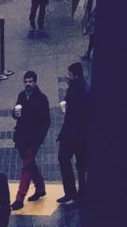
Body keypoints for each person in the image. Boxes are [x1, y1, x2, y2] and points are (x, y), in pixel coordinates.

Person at [10, 70, 50, 211]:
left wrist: (39, 138)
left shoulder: (42, 99)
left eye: (31, 81)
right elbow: (16, 113)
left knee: (26, 166)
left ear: (35, 82)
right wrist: (14, 113)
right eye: (26, 82)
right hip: (21, 137)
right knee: (30, 164)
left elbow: (46, 121)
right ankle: (40, 188)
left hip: (33, 139)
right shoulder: (21, 95)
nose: (28, 84)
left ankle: (19, 198)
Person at [57, 60, 89, 205]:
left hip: (73, 133)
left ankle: (72, 192)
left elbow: (76, 112)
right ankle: (80, 192)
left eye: (70, 74)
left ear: (75, 75)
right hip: (80, 134)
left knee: (65, 159)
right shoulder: (82, 87)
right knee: (80, 164)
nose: (68, 77)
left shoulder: (78, 89)